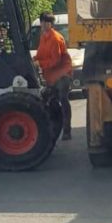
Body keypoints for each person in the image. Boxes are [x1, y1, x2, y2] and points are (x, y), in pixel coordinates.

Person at [34, 12, 73, 140]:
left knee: (62, 99)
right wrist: (32, 60)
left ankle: (67, 130)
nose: (44, 24)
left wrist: (39, 63)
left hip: (62, 73)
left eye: (47, 22)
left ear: (51, 24)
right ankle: (53, 130)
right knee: (50, 101)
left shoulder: (56, 38)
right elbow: (41, 54)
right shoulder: (43, 36)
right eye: (43, 21)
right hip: (51, 75)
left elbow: (55, 61)